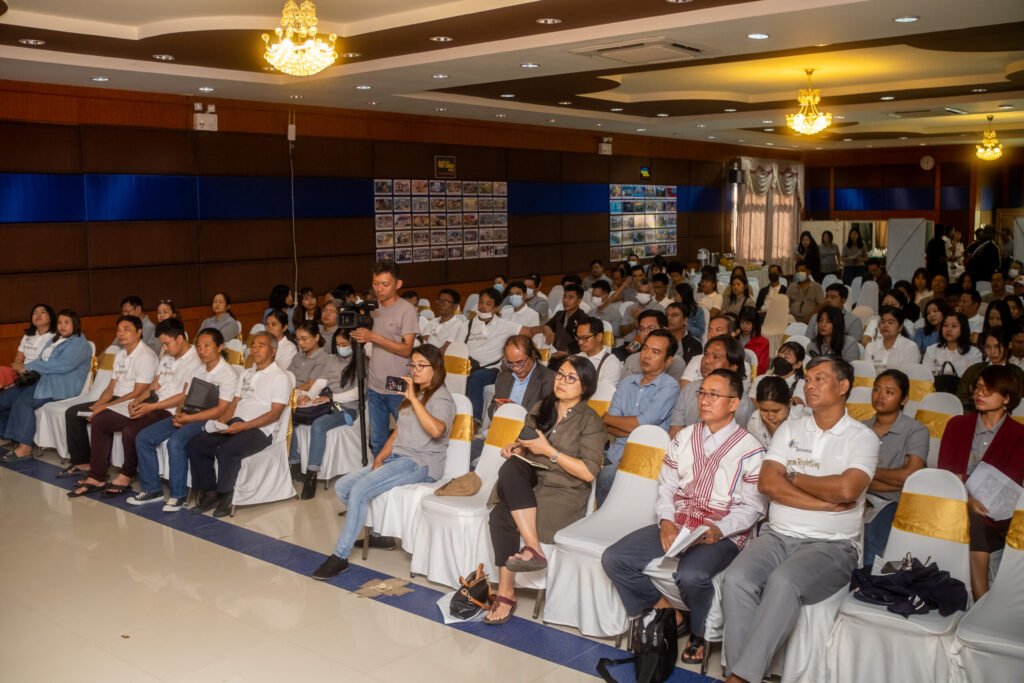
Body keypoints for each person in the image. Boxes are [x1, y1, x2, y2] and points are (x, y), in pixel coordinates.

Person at [721, 357, 878, 683]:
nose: (810, 385)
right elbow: (768, 483)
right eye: (807, 379)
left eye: (820, 378)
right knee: (735, 579)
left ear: (843, 386)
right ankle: (744, 673)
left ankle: (739, 678)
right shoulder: (791, 428)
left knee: (783, 581)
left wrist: (794, 477)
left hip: (832, 546)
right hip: (777, 536)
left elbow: (847, 489)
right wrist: (822, 502)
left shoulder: (861, 438)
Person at [602, 368, 767, 661]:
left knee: (691, 575)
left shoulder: (751, 450)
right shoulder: (684, 437)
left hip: (720, 531)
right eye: (702, 393)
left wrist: (718, 529)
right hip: (680, 523)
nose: (704, 400)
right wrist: (666, 522)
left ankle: (699, 632)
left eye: (714, 395)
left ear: (733, 403)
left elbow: (753, 508)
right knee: (615, 558)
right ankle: (668, 611)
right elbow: (666, 486)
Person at [312, 344, 455, 579]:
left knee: (360, 491)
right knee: (343, 487)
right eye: (412, 365)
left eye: (421, 366)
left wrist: (414, 399)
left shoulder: (441, 398)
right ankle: (379, 534)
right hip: (398, 458)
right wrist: (380, 456)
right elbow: (399, 430)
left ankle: (340, 556)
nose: (415, 370)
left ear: (436, 368)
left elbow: (437, 430)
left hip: (420, 462)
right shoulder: (414, 393)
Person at [485, 357, 606, 624]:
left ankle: (506, 592)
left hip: (564, 490)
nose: (561, 381)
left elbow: (588, 472)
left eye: (570, 378)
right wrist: (516, 448)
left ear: (585, 386)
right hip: (532, 480)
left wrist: (550, 451)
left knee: (501, 515)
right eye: (560, 374)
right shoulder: (542, 407)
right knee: (510, 467)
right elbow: (526, 444)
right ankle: (531, 552)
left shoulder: (591, 421)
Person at [68, 318, 202, 498]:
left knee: (131, 430)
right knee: (100, 421)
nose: (164, 348)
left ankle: (126, 474)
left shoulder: (195, 360)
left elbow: (184, 396)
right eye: (162, 344)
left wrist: (151, 406)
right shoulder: (168, 356)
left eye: (166, 343)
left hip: (167, 410)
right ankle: (97, 476)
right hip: (152, 403)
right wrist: (138, 400)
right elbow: (154, 386)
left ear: (179, 339)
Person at [128, 327, 239, 511]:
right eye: (199, 346)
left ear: (219, 347)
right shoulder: (197, 369)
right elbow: (185, 395)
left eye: (207, 346)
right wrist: (178, 415)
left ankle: (177, 495)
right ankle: (152, 490)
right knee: (143, 438)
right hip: (188, 414)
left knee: (175, 442)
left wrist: (189, 419)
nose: (202, 350)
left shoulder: (227, 374)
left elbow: (220, 409)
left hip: (207, 419)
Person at [938, 365, 1024, 599]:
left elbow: (1008, 481)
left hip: (997, 512)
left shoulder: (1019, 435)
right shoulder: (957, 425)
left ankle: (980, 598)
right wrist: (967, 499)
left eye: (988, 390)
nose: (979, 394)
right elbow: (946, 473)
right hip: (954, 503)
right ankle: (981, 597)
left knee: (978, 518)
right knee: (973, 517)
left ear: (1007, 398)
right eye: (977, 388)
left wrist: (964, 483)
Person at [186, 332, 291, 517]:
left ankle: (226, 494)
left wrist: (244, 426)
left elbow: (274, 414)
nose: (255, 349)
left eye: (261, 346)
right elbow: (234, 403)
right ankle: (210, 493)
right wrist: (221, 422)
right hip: (235, 423)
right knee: (197, 444)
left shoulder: (280, 377)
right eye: (253, 345)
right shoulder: (246, 373)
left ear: (273, 351)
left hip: (260, 430)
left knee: (227, 450)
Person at [58, 315, 159, 481]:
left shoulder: (146, 356)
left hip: (132, 402)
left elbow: (138, 392)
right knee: (73, 413)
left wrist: (104, 407)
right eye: (118, 330)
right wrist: (98, 403)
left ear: (139, 332)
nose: (121, 333)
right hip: (116, 399)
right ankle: (82, 462)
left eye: (126, 329)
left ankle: (99, 471)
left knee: (100, 418)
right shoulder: (121, 354)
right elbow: (111, 386)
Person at [597, 330, 680, 505]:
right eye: (645, 348)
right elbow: (609, 426)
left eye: (655, 352)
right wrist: (634, 428)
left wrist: (609, 419)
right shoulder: (627, 382)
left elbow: (642, 423)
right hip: (616, 454)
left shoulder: (670, 386)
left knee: (607, 476)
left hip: (646, 458)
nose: (647, 355)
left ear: (668, 361)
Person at [0, 310, 91, 463]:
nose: (62, 326)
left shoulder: (79, 343)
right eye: (60, 322)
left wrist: (27, 366)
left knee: (24, 402)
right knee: (4, 399)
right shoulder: (55, 340)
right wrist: (27, 367)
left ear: (75, 324)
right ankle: (10, 434)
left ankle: (24, 447)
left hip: (60, 386)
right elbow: (41, 360)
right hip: (42, 381)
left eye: (66, 322)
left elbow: (62, 365)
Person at [860, 370, 930, 568]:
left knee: (871, 540)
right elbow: (848, 474)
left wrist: (866, 473)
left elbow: (909, 477)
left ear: (904, 399)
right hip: (860, 496)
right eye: (876, 389)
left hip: (896, 501)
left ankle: (868, 582)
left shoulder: (916, 430)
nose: (880, 396)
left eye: (889, 392)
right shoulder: (860, 428)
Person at [351, 261, 419, 456]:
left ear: (398, 284)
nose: (379, 289)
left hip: (398, 383)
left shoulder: (407, 310)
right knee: (377, 441)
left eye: (385, 284)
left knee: (406, 436)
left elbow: (406, 350)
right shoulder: (373, 308)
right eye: (375, 283)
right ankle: (379, 470)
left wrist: (374, 337)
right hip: (375, 384)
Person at [289, 328, 360, 499]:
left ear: (353, 344)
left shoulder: (361, 361)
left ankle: (311, 474)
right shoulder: (331, 359)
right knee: (295, 416)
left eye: (344, 344)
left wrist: (331, 398)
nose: (341, 347)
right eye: (338, 344)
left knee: (318, 425)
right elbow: (321, 382)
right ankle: (294, 463)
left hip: (346, 408)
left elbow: (358, 393)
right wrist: (309, 396)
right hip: (327, 403)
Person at [465, 287, 530, 422]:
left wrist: (545, 329)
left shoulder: (504, 325)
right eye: (481, 302)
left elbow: (529, 331)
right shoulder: (467, 324)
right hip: (466, 367)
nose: (483, 307)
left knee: (475, 378)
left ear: (496, 308)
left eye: (488, 304)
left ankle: (473, 419)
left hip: (490, 370)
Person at [671, 335, 755, 435]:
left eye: (716, 357)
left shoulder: (742, 404)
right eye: (706, 354)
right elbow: (675, 430)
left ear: (733, 366)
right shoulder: (689, 389)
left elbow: (737, 440)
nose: (707, 361)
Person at [485, 335, 555, 422]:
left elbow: (546, 418)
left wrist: (516, 412)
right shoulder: (504, 376)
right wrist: (497, 409)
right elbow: (491, 408)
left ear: (533, 355)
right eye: (510, 363)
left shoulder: (548, 378)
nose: (515, 368)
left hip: (529, 429)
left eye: (520, 363)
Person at [956, 328, 1024, 411]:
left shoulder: (1016, 373)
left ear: (1009, 345)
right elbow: (961, 397)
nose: (992, 352)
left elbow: (1019, 401)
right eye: (988, 347)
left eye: (997, 346)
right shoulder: (974, 370)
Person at [0, 303, 56, 388]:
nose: (38, 315)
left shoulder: (56, 337)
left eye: (43, 312)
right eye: (35, 313)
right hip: (22, 372)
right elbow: (18, 359)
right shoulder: (28, 335)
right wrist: (19, 369)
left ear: (51, 317)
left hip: (40, 374)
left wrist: (26, 369)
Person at [620, 310, 687, 380]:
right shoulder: (631, 358)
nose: (645, 333)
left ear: (664, 330)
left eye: (650, 328)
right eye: (641, 329)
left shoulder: (675, 362)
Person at [923, 312, 983, 379]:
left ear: (963, 329)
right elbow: (925, 375)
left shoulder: (974, 353)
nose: (949, 330)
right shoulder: (931, 350)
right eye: (945, 325)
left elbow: (972, 379)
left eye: (954, 326)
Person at [747, 375, 801, 447]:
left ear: (789, 403)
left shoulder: (802, 421)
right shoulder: (755, 420)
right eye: (764, 410)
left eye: (776, 411)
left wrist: (775, 433)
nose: (770, 417)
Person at [536, 284, 588, 357]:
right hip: (554, 354)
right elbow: (547, 326)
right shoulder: (559, 314)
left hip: (574, 357)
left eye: (570, 297)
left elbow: (586, 345)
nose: (565, 301)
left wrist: (567, 353)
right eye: (564, 296)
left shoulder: (584, 319)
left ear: (579, 301)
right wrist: (546, 328)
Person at [749, 341, 807, 406]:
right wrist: (766, 410)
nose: (780, 359)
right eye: (778, 355)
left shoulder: (801, 383)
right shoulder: (761, 379)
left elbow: (799, 400)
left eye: (786, 357)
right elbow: (752, 397)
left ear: (797, 364)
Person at [864, 306, 920, 371]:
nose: (885, 325)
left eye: (890, 322)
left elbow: (906, 374)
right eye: (883, 322)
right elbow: (867, 372)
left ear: (900, 327)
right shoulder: (871, 347)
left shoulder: (910, 347)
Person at [574, 316, 622, 387]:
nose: (580, 342)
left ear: (599, 337)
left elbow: (605, 391)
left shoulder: (611, 363)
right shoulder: (575, 358)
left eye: (585, 338)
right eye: (578, 338)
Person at [418, 288, 467, 354]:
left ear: (455, 306)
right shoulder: (432, 322)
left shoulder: (459, 325)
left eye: (445, 301)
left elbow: (444, 350)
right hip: (426, 356)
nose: (441, 304)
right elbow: (424, 342)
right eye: (440, 301)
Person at [288, 321, 332, 392]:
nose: (300, 343)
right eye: (298, 339)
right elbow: (287, 376)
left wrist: (288, 392)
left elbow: (310, 385)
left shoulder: (323, 358)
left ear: (316, 337)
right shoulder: (298, 355)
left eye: (304, 339)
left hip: (303, 395)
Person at [738, 306, 769, 375]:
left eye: (748, 323)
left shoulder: (763, 342)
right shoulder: (734, 338)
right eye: (742, 323)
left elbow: (762, 367)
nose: (745, 326)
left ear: (755, 324)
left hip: (751, 375)